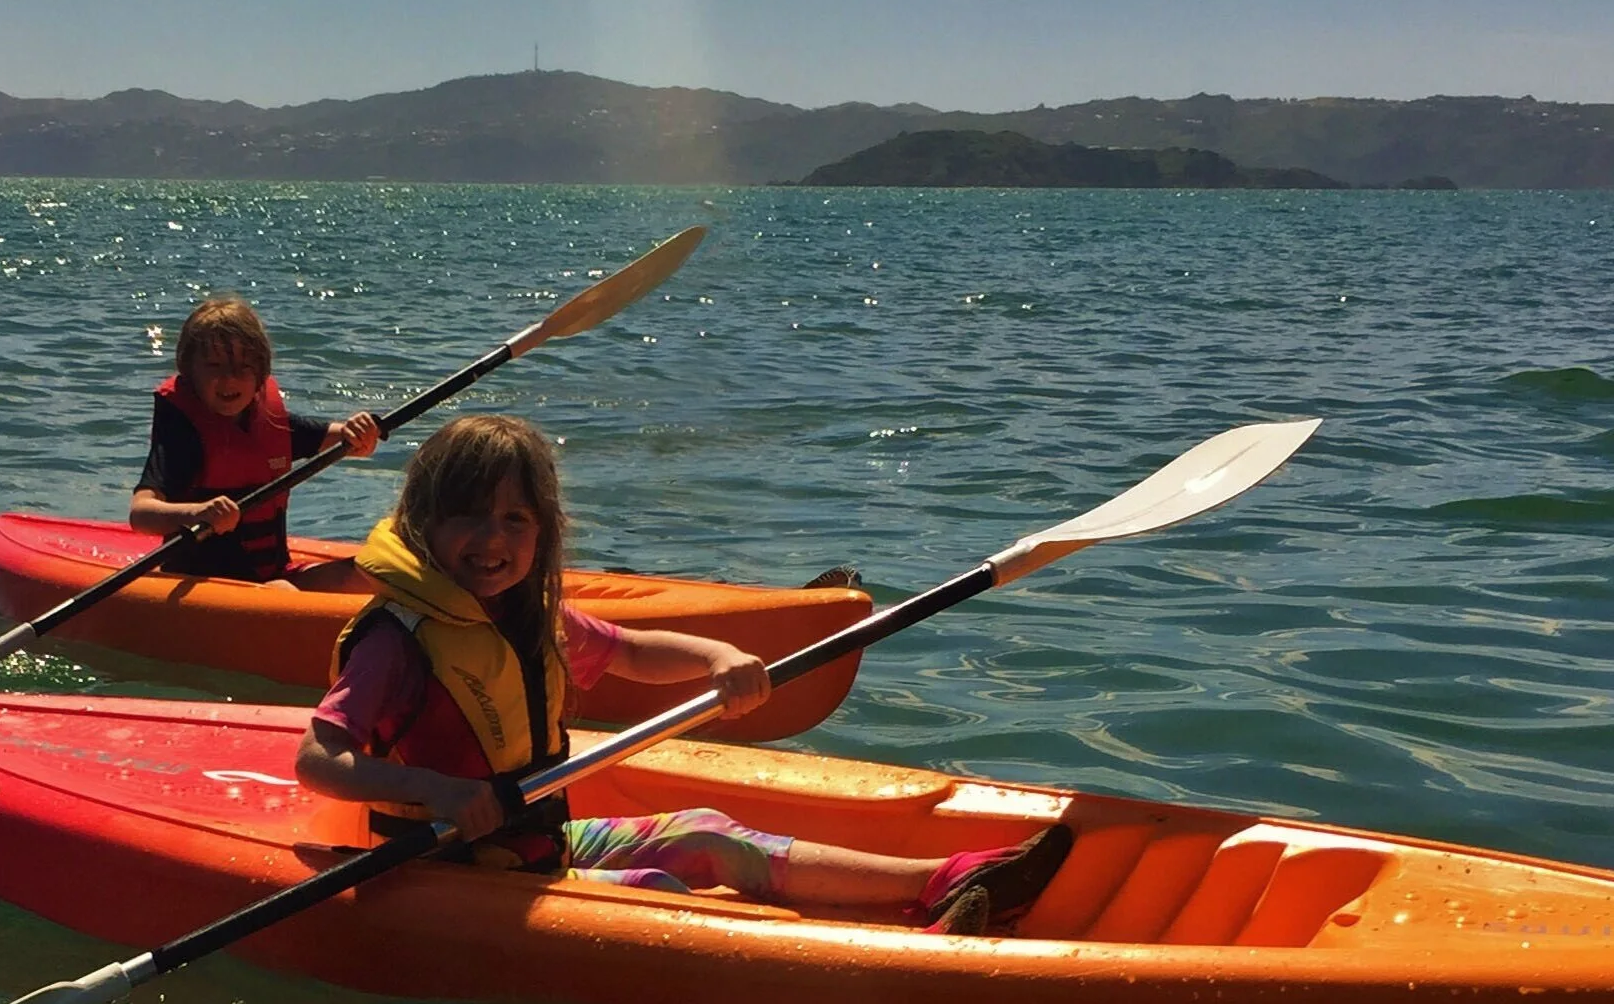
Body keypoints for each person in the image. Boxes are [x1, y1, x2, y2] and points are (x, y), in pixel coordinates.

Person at [294, 414, 1071, 933]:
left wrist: (717, 659)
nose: (491, 540)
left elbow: (632, 651)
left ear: (544, 531)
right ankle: (876, 962)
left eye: (516, 520)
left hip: (540, 846)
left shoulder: (529, 621)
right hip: (450, 876)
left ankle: (939, 880)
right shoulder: (396, 644)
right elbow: (318, 760)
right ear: (424, 526)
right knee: (661, 901)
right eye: (468, 516)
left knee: (706, 834)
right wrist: (439, 792)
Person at [129, 294, 382, 590]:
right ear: (189, 371)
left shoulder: (269, 423)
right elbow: (140, 514)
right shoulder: (183, 437)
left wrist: (361, 433)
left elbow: (346, 440)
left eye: (243, 367)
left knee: (374, 574)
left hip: (273, 577)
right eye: (214, 365)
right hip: (207, 584)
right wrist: (197, 513)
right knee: (285, 591)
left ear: (261, 373)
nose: (229, 379)